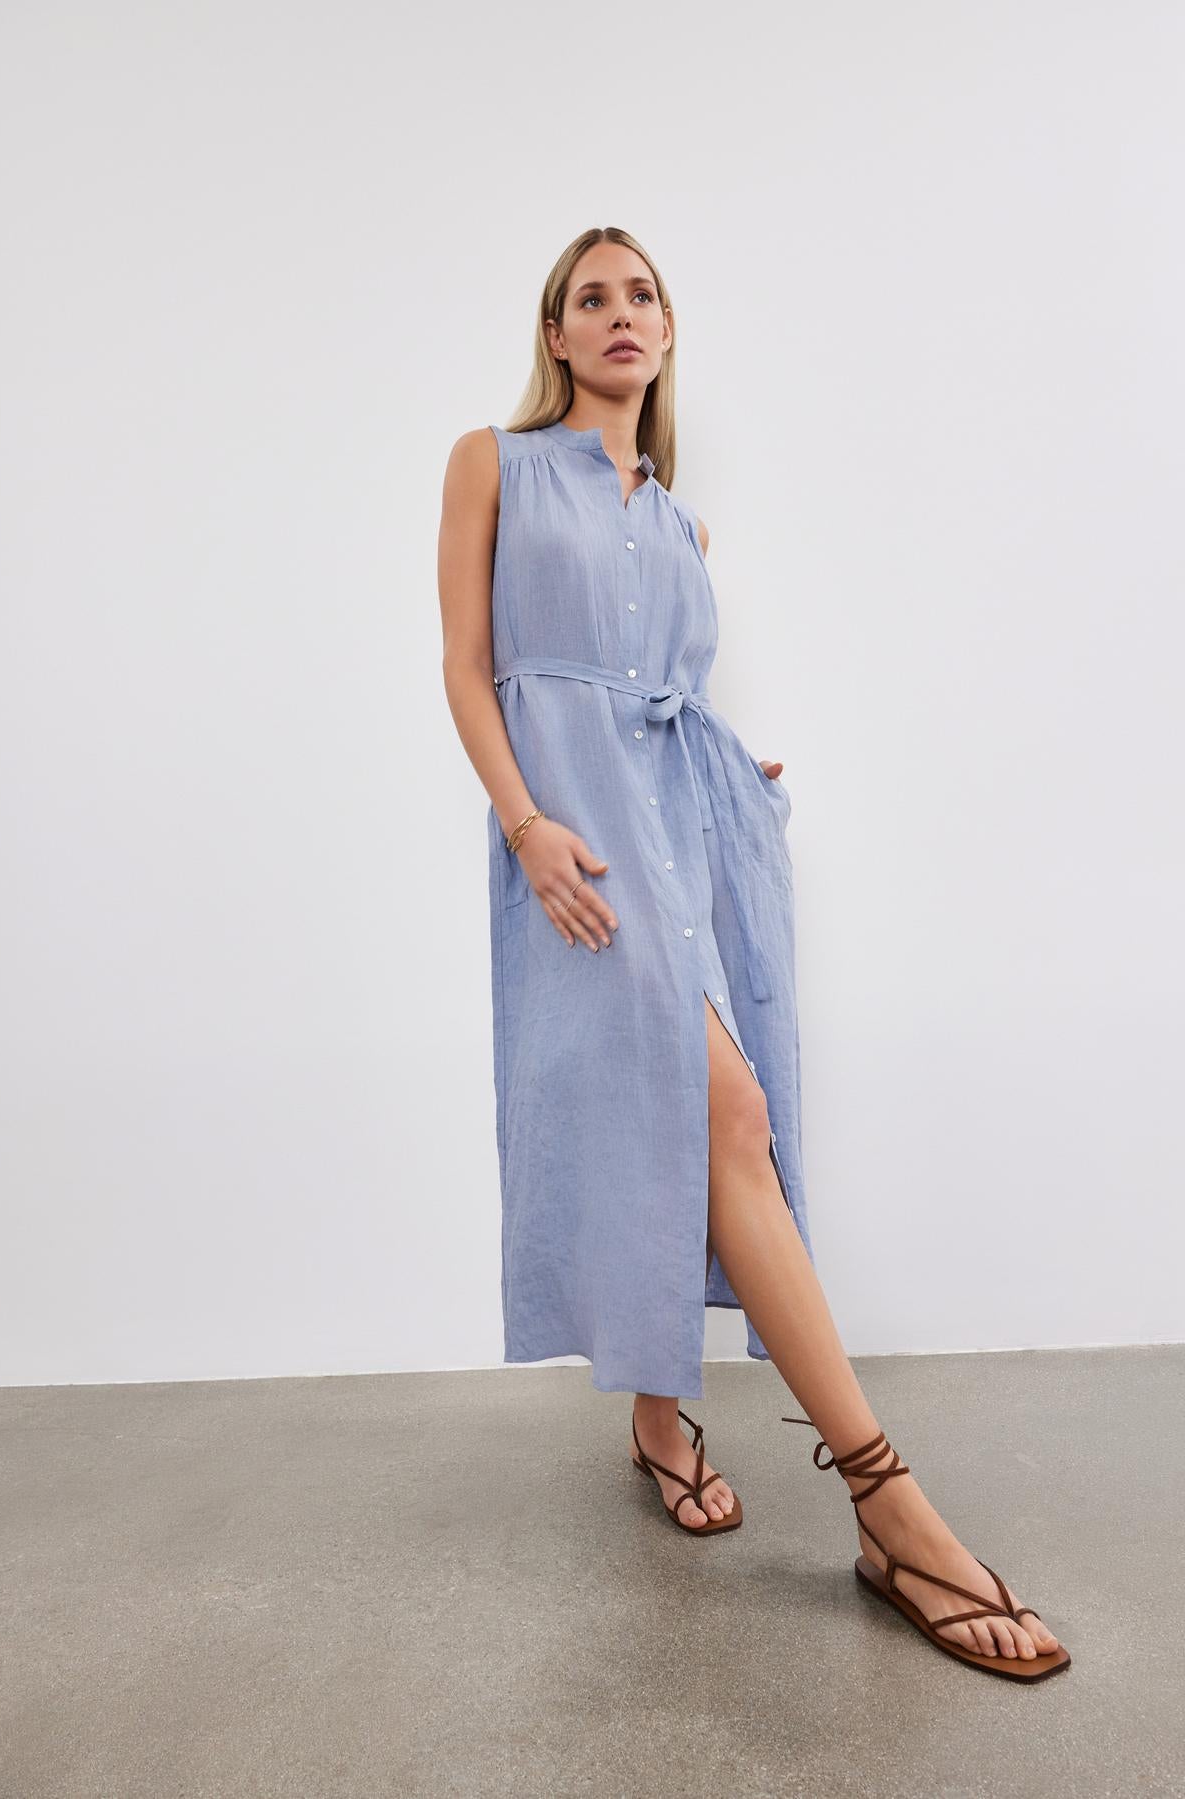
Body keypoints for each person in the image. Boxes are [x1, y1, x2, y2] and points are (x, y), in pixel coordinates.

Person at [437, 226, 1069, 1681]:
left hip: (681, 832)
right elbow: (470, 669)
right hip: (577, 850)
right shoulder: (493, 463)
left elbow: (666, 697)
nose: (618, 314)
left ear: (667, 335)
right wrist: (528, 826)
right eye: (589, 297)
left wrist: (732, 768)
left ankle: (661, 1419)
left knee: (705, 1119)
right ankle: (886, 1498)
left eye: (641, 294)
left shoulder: (682, 523)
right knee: (717, 1116)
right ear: (553, 336)